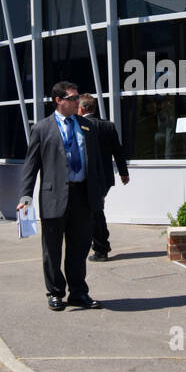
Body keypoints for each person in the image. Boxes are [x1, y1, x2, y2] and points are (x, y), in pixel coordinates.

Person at [18, 81, 106, 310]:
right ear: (58, 100)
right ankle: (55, 292)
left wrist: (100, 191)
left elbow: (96, 163)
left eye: (78, 98)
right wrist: (25, 196)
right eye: (72, 98)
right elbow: (31, 165)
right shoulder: (42, 128)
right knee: (53, 249)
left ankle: (78, 293)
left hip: (82, 196)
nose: (77, 102)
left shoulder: (87, 126)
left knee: (79, 248)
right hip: (54, 197)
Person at [78, 94, 129, 262]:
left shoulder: (80, 125)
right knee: (96, 210)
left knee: (95, 212)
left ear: (82, 108)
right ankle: (100, 247)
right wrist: (123, 172)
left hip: (88, 178)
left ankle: (101, 249)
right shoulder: (108, 126)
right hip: (105, 178)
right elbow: (118, 152)